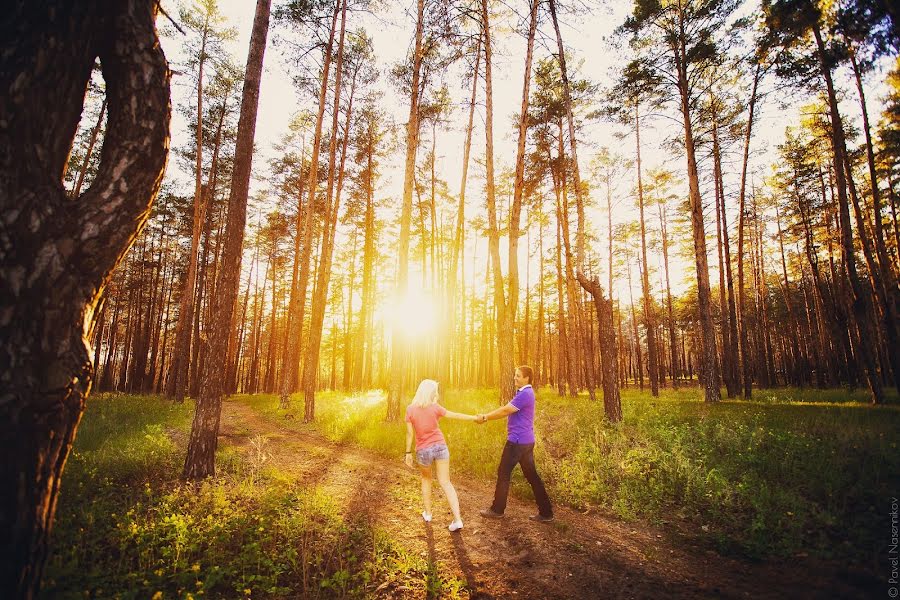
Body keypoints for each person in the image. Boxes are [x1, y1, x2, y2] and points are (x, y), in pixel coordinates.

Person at [476, 365, 554, 522]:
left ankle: (497, 510)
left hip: (517, 442)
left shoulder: (525, 394)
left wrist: (485, 417)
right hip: (526, 442)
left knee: (503, 473)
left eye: (518, 375)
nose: (515, 378)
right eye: (515, 375)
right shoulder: (525, 393)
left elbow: (505, 410)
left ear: (526, 378)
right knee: (532, 477)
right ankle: (546, 513)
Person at [404, 379, 478, 532]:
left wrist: (408, 453)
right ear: (432, 394)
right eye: (435, 392)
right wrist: (474, 418)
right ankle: (458, 520)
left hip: (423, 450)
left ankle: (428, 514)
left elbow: (410, 433)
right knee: (446, 482)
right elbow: (455, 415)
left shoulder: (410, 409)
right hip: (440, 447)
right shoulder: (435, 408)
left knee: (426, 480)